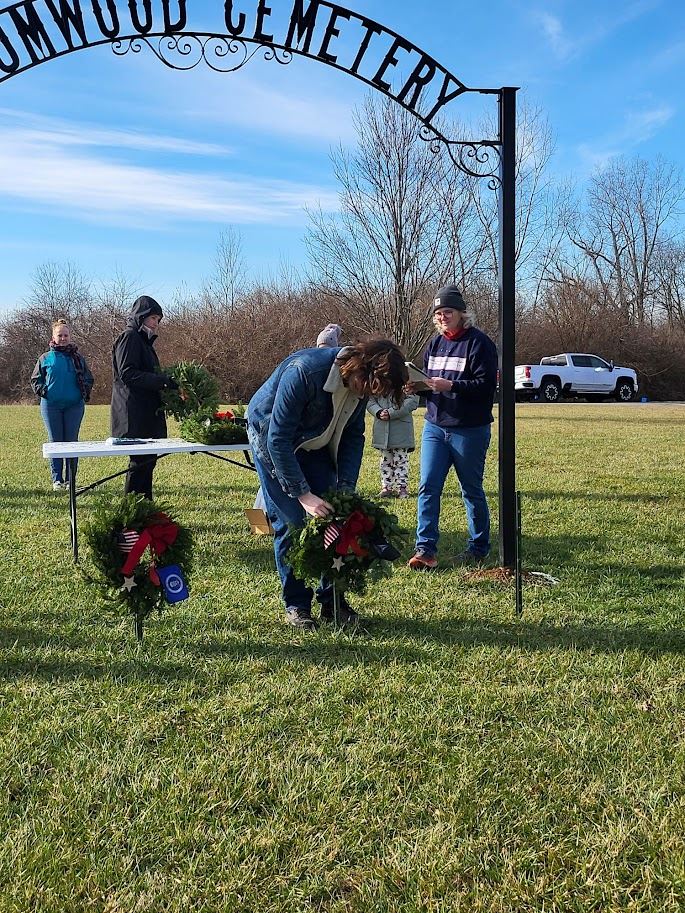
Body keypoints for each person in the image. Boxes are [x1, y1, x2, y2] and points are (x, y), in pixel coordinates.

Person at [247, 339, 408, 631]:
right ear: (361, 369)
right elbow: (278, 439)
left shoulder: (359, 386)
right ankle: (297, 604)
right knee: (292, 522)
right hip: (270, 434)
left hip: (317, 441)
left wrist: (345, 487)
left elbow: (352, 436)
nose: (370, 396)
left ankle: (333, 601)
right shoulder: (305, 372)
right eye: (371, 388)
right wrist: (303, 495)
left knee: (336, 516)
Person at [407, 285, 498, 570]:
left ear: (462, 313)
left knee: (470, 489)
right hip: (435, 426)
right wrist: (417, 387)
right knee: (428, 487)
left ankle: (479, 546)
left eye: (448, 312)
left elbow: (486, 387)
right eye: (438, 313)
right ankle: (425, 549)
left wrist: (453, 386)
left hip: (469, 429)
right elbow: (432, 386)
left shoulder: (479, 343)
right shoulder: (434, 344)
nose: (443, 317)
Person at [111, 296, 179, 500]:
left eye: (158, 320)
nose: (155, 324)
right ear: (141, 317)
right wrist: (162, 381)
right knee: (139, 464)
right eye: (153, 319)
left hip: (145, 412)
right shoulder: (129, 337)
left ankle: (145, 510)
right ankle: (133, 515)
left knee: (147, 463)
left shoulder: (143, 342)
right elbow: (127, 373)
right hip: (133, 413)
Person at [31, 318, 94, 490]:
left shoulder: (78, 359)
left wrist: (83, 393)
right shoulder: (45, 358)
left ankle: (70, 480)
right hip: (51, 406)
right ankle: (57, 480)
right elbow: (35, 380)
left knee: (72, 442)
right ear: (53, 336)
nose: (63, 338)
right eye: (60, 335)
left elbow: (88, 378)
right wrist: (46, 392)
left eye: (66, 335)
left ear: (70, 336)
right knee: (56, 442)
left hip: (74, 406)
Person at [366, 391, 420, 498]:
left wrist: (392, 412)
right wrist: (378, 411)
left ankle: (402, 487)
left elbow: (412, 400)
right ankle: (386, 487)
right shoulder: (376, 381)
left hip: (401, 430)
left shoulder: (406, 380)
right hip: (382, 428)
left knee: (401, 460)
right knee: (385, 460)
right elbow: (370, 400)